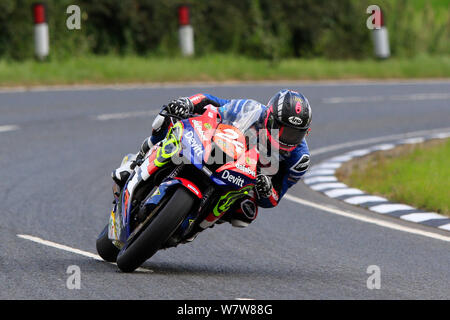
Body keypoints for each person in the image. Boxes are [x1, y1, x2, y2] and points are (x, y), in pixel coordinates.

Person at [112, 89, 312, 229]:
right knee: (165, 119)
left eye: (294, 134)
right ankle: (137, 161)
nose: (285, 138)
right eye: (283, 129)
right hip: (220, 149)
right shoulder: (251, 110)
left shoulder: (298, 160)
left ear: (305, 133)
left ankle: (201, 220)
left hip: (246, 178)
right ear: (269, 117)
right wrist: (187, 102)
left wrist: (266, 190)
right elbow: (211, 101)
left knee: (245, 214)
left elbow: (275, 198)